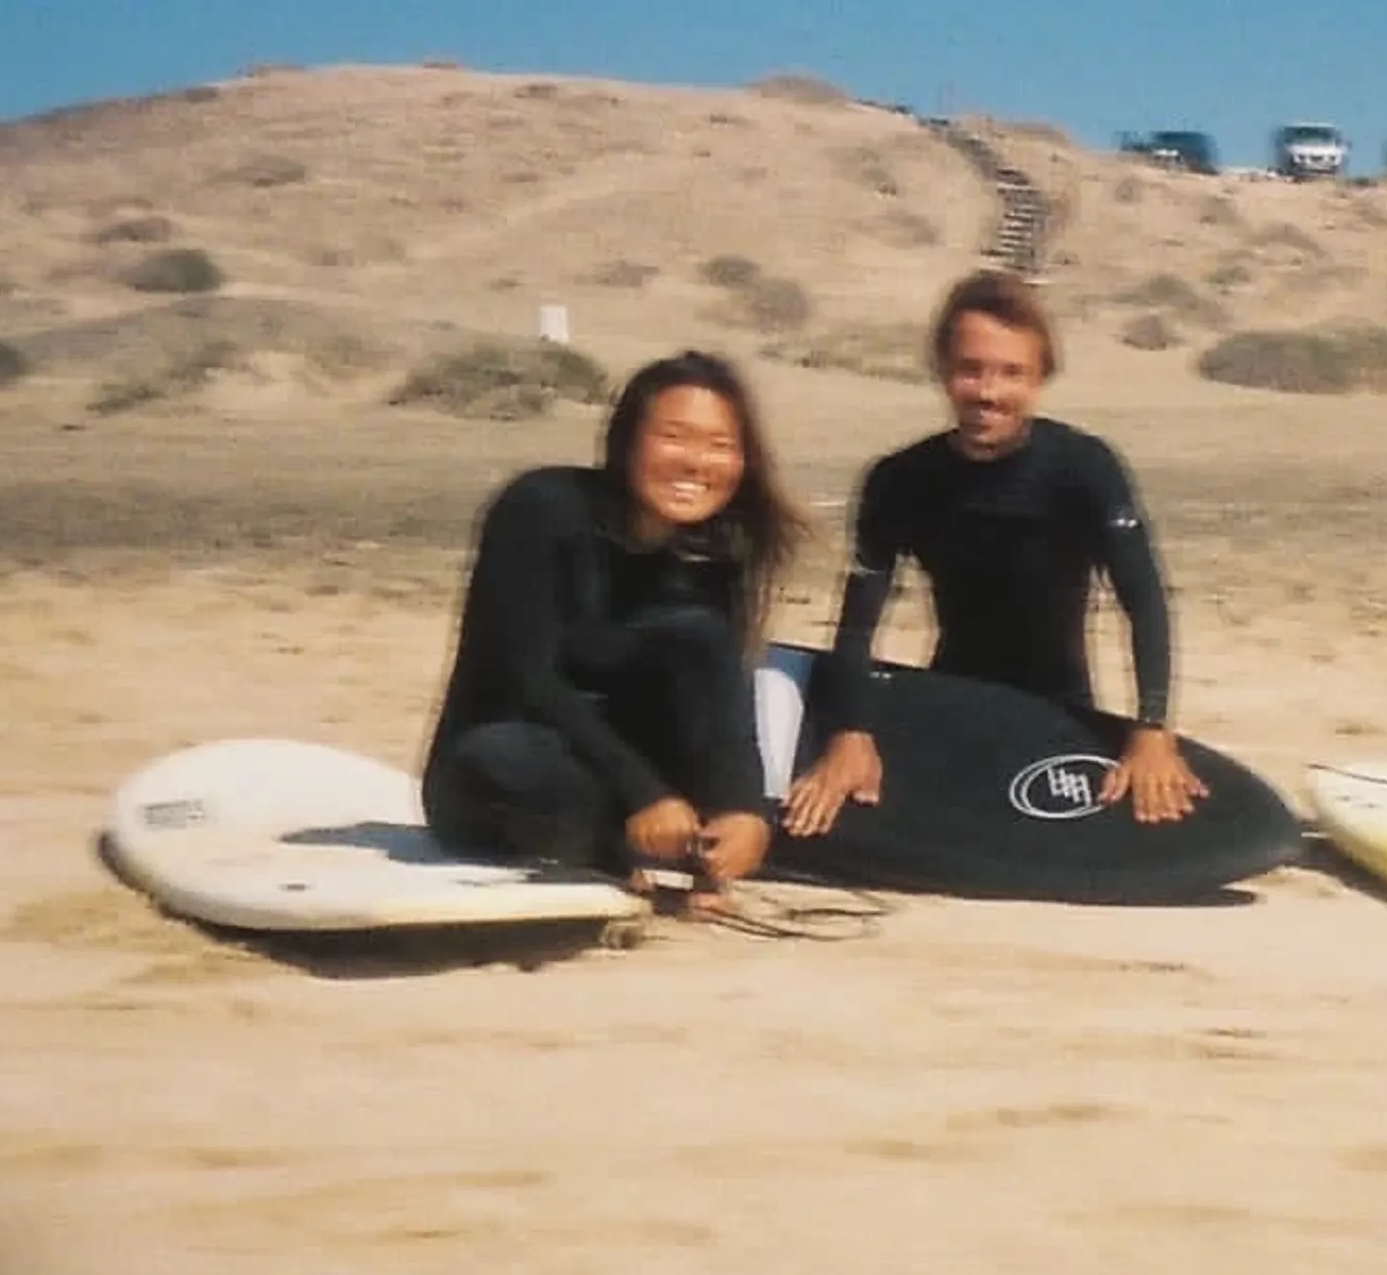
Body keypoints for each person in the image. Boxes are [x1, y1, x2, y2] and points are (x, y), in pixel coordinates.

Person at [782, 270, 1204, 832]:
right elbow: (858, 625)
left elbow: (1145, 602)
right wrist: (850, 733)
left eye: (1011, 373)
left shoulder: (1084, 468)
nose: (988, 392)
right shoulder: (900, 479)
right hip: (954, 702)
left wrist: (1151, 730)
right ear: (943, 369)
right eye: (970, 369)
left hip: (1061, 711)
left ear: (1040, 377)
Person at [421, 350, 803, 897]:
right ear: (626, 441)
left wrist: (745, 809)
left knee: (700, 637)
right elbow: (528, 679)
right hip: (516, 760)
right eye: (674, 437)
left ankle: (689, 848)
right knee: (504, 760)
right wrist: (645, 793)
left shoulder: (721, 549)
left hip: (637, 782)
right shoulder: (541, 507)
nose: (696, 463)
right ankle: (631, 848)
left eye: (720, 446)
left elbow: (726, 692)